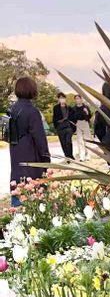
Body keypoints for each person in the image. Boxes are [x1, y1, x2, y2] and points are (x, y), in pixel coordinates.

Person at [8, 77, 51, 205]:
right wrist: (46, 159)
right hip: (31, 153)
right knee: (34, 185)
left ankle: (17, 208)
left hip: (16, 150)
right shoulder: (32, 112)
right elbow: (40, 138)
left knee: (18, 181)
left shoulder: (13, 109)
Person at [52, 92, 75, 160]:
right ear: (59, 99)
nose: (62, 99)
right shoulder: (56, 108)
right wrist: (56, 126)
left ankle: (71, 155)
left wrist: (72, 128)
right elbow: (55, 118)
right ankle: (67, 156)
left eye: (63, 98)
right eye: (60, 98)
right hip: (60, 127)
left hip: (68, 127)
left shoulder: (69, 108)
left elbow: (73, 117)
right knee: (63, 142)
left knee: (68, 141)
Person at [72, 94, 92, 161]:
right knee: (80, 140)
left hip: (85, 122)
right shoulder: (73, 108)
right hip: (78, 123)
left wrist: (87, 113)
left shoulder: (85, 107)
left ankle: (88, 155)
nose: (78, 100)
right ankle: (82, 156)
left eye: (78, 98)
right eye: (76, 98)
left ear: (81, 99)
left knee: (87, 139)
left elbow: (90, 116)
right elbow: (72, 117)